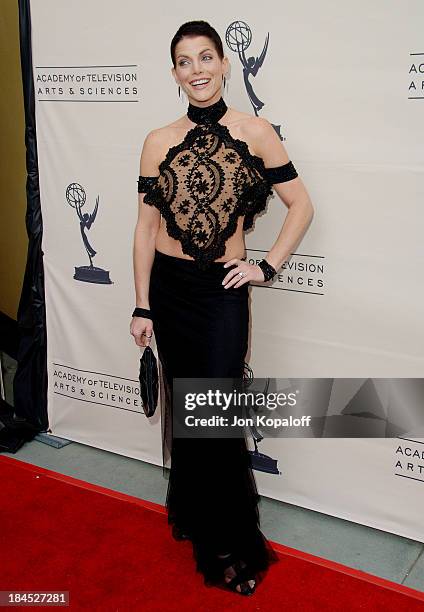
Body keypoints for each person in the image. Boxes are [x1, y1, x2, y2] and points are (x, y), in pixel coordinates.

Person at [130, 20, 314, 596]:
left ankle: (229, 542)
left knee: (213, 415)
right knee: (189, 412)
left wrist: (267, 264)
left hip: (221, 292)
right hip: (170, 290)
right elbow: (144, 228)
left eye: (205, 57)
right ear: (175, 74)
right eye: (184, 62)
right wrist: (143, 306)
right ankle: (193, 513)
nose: (197, 71)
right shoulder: (158, 139)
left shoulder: (256, 132)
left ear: (225, 64)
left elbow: (301, 205)